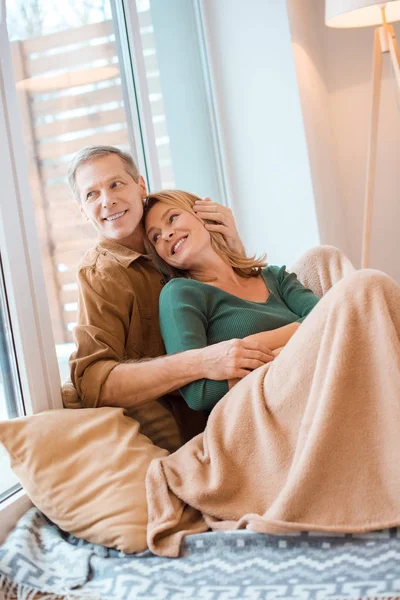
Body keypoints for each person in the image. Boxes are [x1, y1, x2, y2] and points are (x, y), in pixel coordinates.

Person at [66, 145, 274, 451]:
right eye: (91, 195)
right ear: (83, 210)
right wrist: (201, 362)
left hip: (259, 382)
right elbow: (93, 383)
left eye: (115, 184)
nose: (107, 200)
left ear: (140, 186)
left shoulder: (175, 222)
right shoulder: (101, 275)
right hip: (207, 425)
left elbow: (248, 309)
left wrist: (232, 250)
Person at [143, 189, 321, 413]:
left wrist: (253, 344)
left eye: (172, 218)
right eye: (156, 237)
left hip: (319, 378)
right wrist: (294, 344)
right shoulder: (180, 293)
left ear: (204, 214)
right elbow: (198, 393)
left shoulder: (274, 277)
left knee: (323, 258)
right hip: (269, 407)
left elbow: (326, 316)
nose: (166, 234)